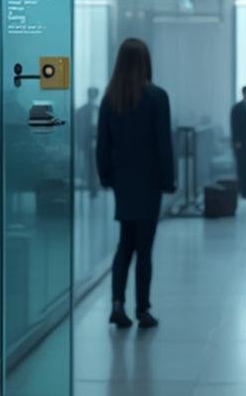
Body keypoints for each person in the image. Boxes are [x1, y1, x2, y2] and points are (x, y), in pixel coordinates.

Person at [97, 38, 175, 329]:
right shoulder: (157, 97)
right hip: (150, 181)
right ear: (146, 63)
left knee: (124, 244)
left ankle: (117, 305)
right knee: (144, 248)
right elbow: (163, 144)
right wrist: (168, 180)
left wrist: (105, 176)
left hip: (123, 182)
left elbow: (103, 145)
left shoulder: (110, 99)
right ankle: (143, 309)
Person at [75, 87, 101, 197]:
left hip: (96, 143)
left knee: (94, 166)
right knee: (90, 165)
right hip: (87, 143)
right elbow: (78, 128)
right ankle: (93, 188)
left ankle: (94, 187)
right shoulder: (82, 111)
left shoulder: (99, 109)